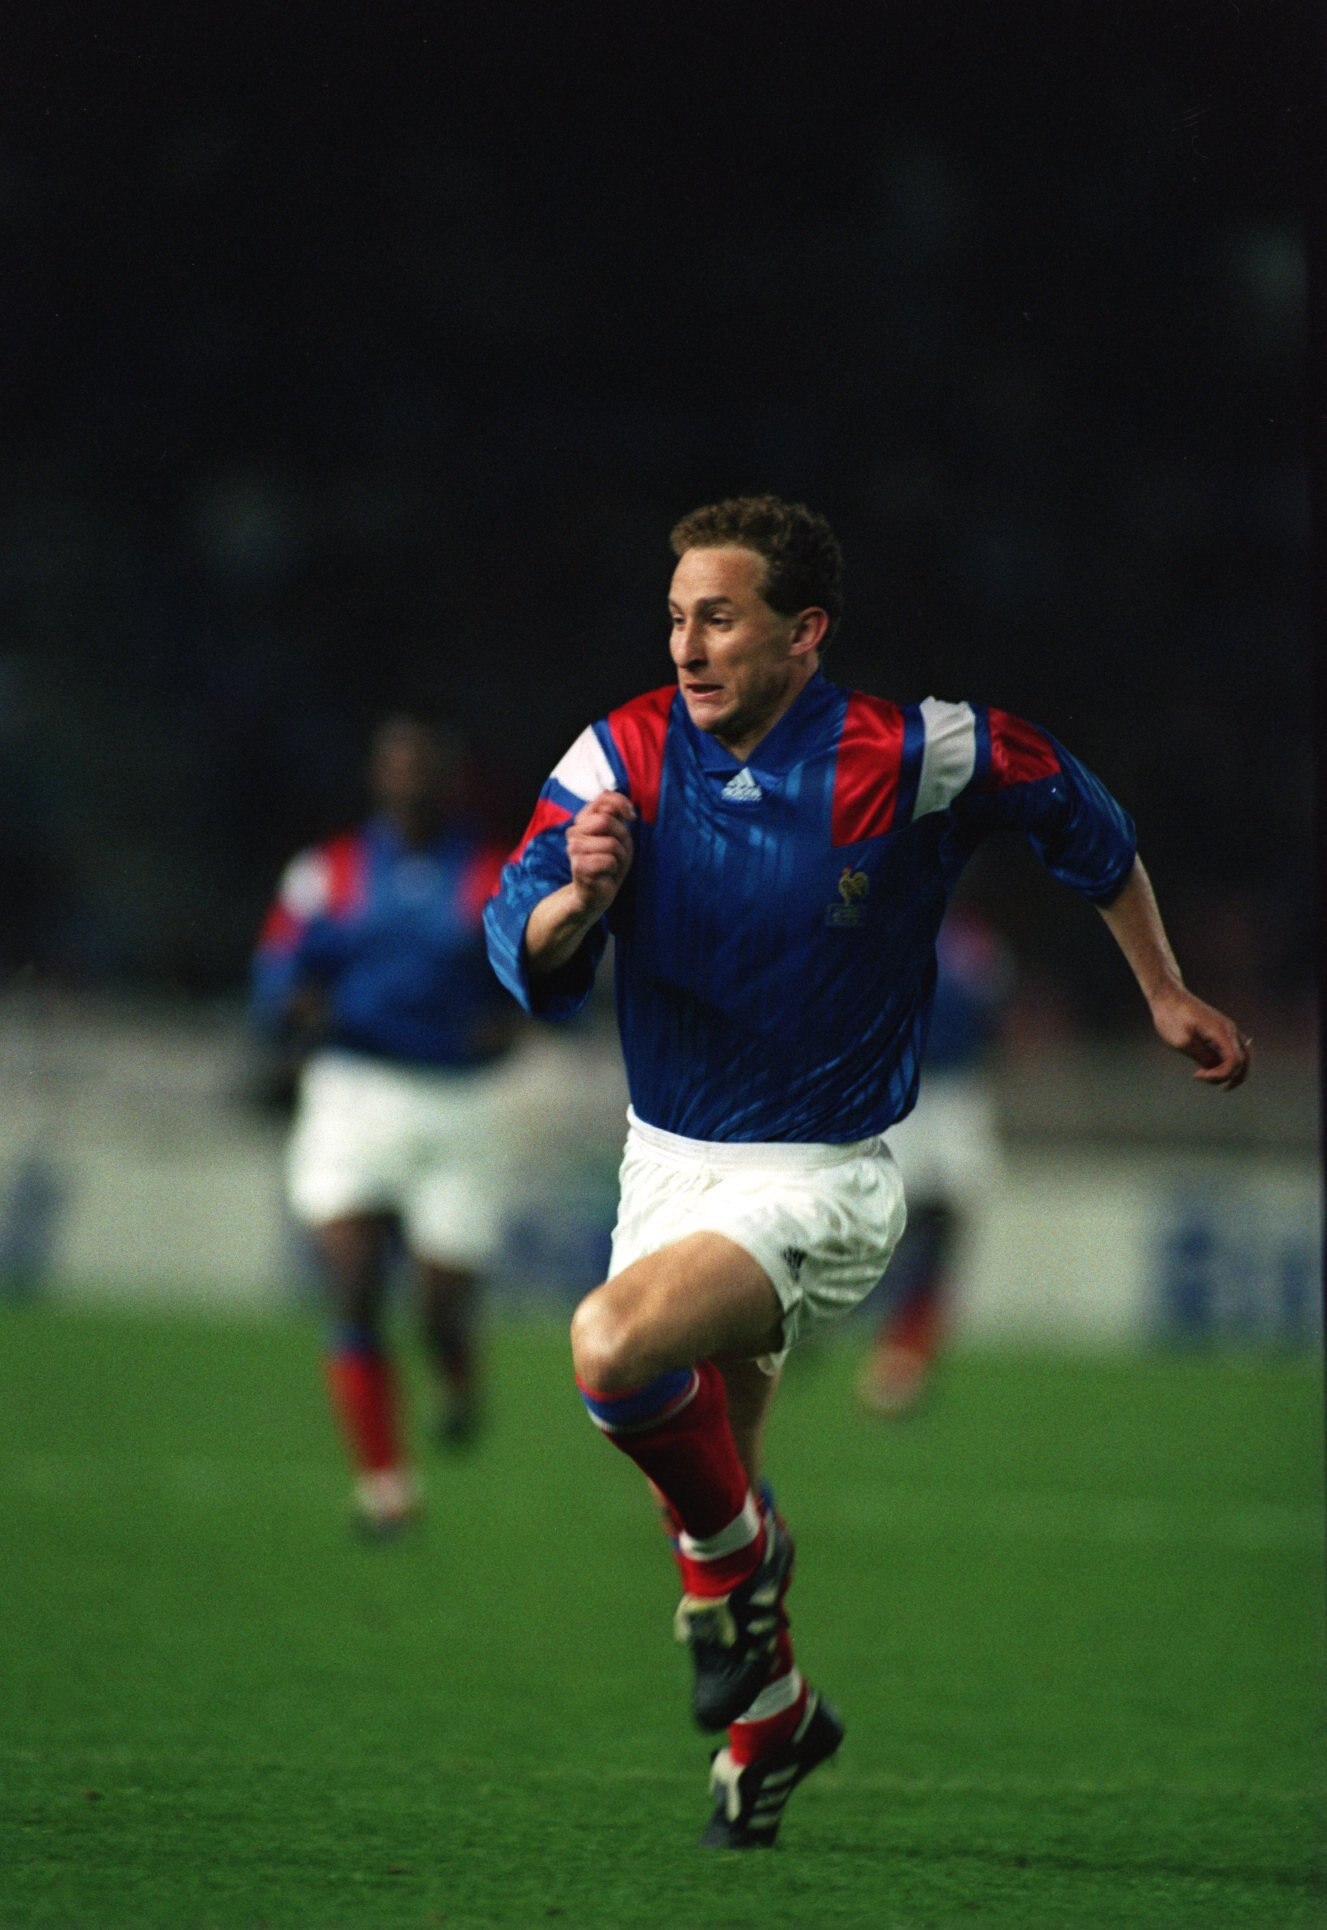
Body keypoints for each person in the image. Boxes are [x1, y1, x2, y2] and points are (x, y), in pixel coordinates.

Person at [483, 494, 1249, 1850]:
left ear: (804, 632)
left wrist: (1163, 989)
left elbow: (1080, 815)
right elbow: (518, 941)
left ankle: (739, 1574)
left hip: (823, 1175)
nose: (687, 645)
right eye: (676, 617)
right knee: (703, 1472)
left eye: (720, 617)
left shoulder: (915, 753)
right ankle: (773, 1717)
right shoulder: (618, 753)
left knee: (610, 1352)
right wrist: (576, 903)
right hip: (665, 1166)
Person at [253, 715, 517, 1536]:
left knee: (438, 1307)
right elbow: (277, 968)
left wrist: (515, 1018)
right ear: (377, 775)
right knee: (356, 1286)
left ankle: (456, 1367)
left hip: (456, 1102)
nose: (410, 780)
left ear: (449, 779)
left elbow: (540, 969)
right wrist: (287, 1008)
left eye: (424, 766)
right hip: (352, 1091)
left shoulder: (493, 873)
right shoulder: (326, 871)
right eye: (397, 765)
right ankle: (385, 1487)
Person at [856, 903, 1012, 1416]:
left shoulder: (973, 944)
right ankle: (811, 1326)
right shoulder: (890, 929)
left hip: (956, 1095)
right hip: (901, 1093)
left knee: (944, 1224)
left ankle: (904, 1352)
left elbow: (992, 1021)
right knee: (885, 1224)